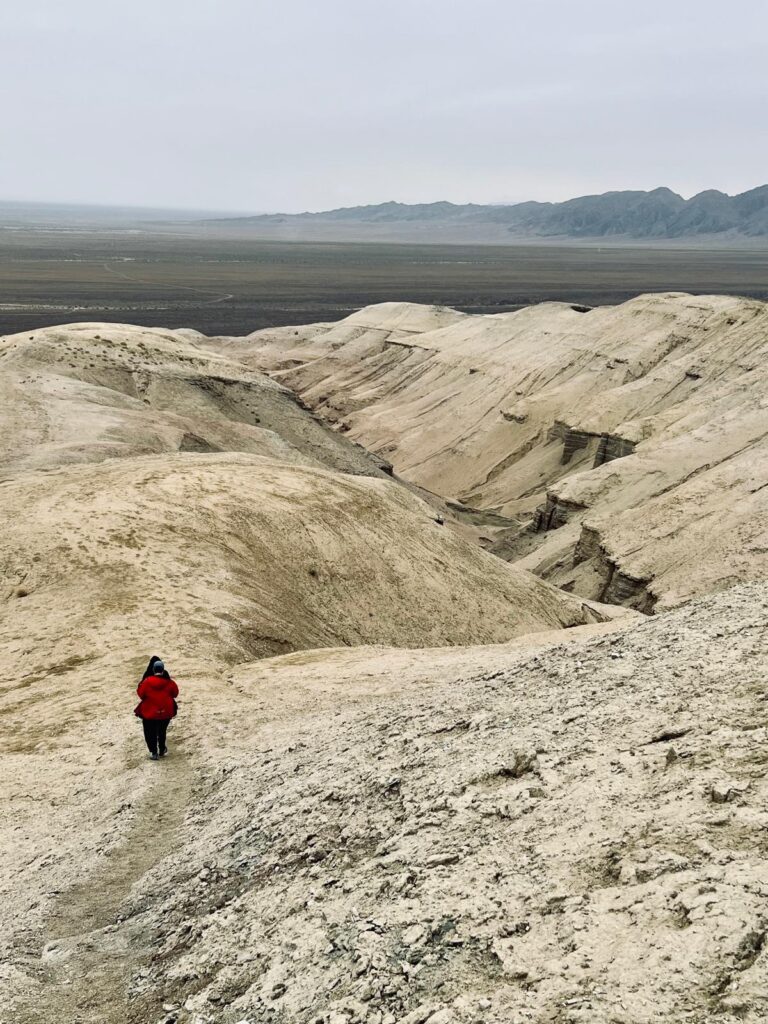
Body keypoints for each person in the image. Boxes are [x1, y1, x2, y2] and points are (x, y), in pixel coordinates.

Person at [134, 656, 179, 760]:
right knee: (162, 730)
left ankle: (154, 752)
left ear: (153, 670)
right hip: (166, 712)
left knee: (149, 731)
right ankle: (162, 748)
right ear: (163, 670)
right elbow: (175, 694)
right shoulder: (170, 682)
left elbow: (141, 694)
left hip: (149, 712)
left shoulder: (147, 681)